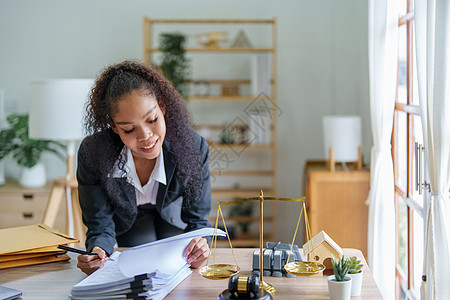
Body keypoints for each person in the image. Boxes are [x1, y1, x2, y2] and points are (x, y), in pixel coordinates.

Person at [76, 60, 211, 275]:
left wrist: (200, 247)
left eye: (152, 119)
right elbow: (99, 222)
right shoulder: (92, 153)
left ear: (162, 107)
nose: (146, 137)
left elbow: (197, 220)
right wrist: (98, 250)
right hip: (127, 222)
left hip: (171, 217)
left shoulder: (193, 147)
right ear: (113, 126)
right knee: (139, 250)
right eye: (129, 129)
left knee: (174, 254)